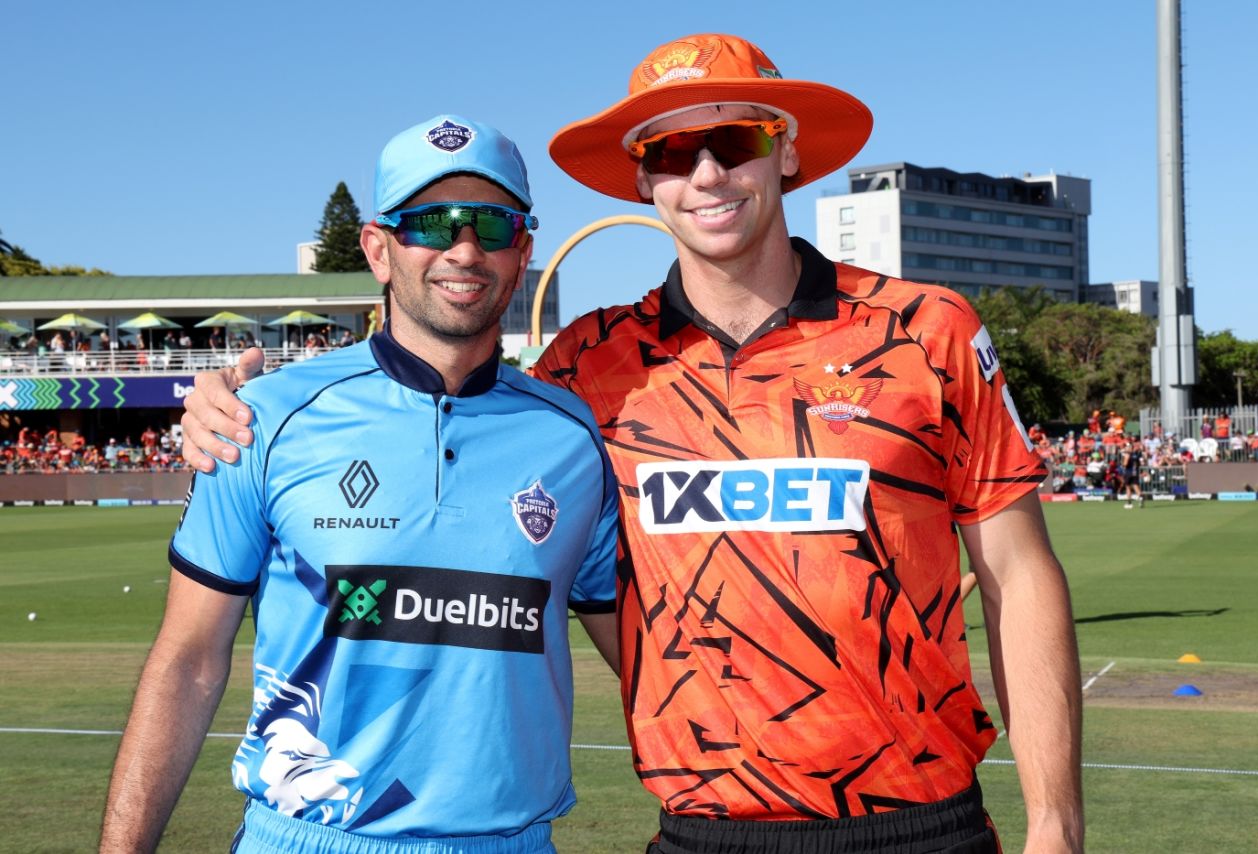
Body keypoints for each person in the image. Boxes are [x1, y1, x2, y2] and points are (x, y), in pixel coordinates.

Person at [180, 34, 1083, 854]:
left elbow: (1020, 572)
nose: (706, 174)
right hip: (699, 832)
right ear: (643, 181)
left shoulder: (926, 331)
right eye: (669, 152)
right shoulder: (587, 370)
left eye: (732, 142)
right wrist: (230, 402)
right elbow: (435, 388)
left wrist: (1056, 821)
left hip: (919, 826)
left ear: (787, 153)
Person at [102, 115, 621, 854]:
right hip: (308, 837)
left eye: (492, 225)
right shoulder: (262, 418)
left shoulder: (571, 435)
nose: (464, 248)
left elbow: (645, 654)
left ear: (524, 251)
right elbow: (187, 661)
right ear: (378, 249)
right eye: (429, 223)